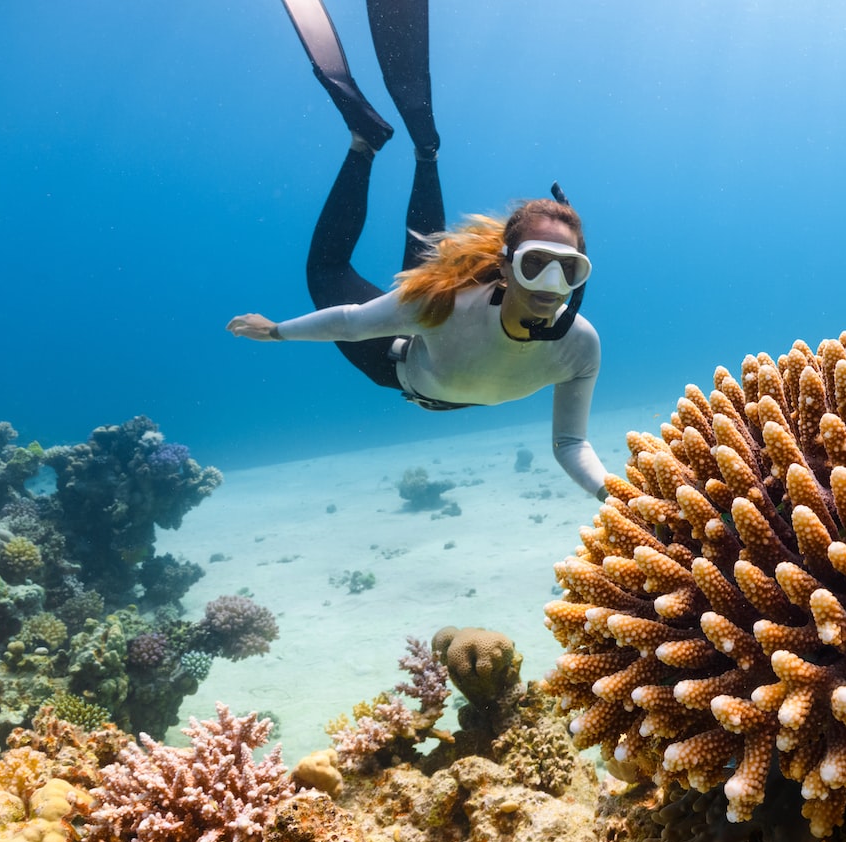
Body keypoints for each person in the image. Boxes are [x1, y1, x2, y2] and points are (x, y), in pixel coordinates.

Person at [228, 0, 611, 500]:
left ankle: (415, 149)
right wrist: (277, 332)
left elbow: (569, 442)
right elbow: (350, 321)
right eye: (535, 264)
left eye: (569, 271)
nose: (551, 287)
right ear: (505, 265)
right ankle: (367, 146)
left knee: (429, 263)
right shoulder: (445, 305)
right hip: (394, 362)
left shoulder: (580, 345)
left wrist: (618, 498)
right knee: (333, 269)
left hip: (436, 366)